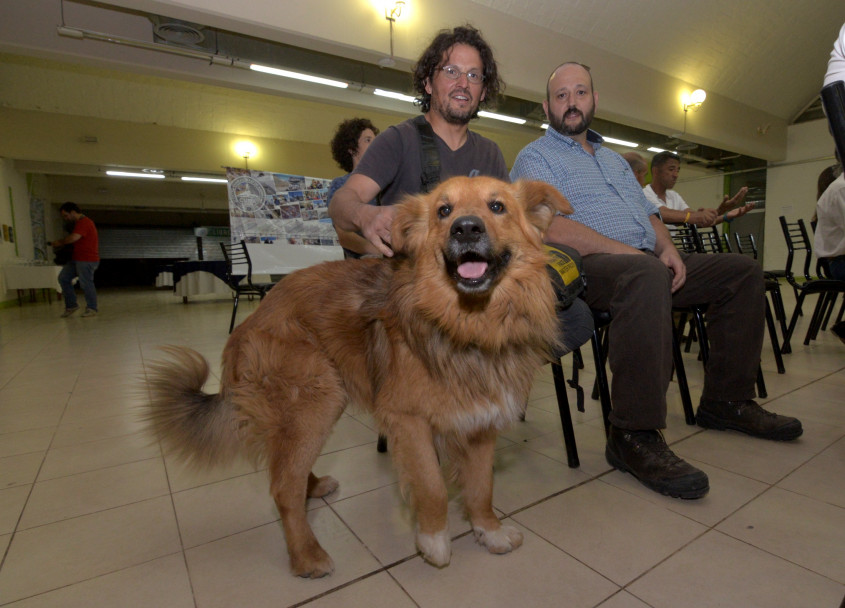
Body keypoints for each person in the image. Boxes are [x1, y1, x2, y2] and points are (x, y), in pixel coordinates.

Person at [510, 62, 803, 500]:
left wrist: (666, 248)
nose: (572, 102)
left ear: (594, 100)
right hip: (590, 266)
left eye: (581, 92)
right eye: (561, 95)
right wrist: (634, 254)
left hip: (644, 259)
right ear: (547, 106)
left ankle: (726, 401)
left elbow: (649, 215)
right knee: (644, 274)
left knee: (741, 272)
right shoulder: (535, 157)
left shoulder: (613, 160)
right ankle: (633, 434)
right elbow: (546, 228)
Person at [328, 25, 593, 355]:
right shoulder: (397, 140)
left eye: (474, 75)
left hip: (481, 281)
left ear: (483, 92)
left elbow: (509, 230)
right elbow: (342, 201)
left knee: (577, 317)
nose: (463, 83)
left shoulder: (490, 152)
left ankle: (498, 391)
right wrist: (363, 214)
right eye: (451, 71)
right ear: (428, 81)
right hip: (418, 287)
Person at [643, 151, 753, 228]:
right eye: (671, 169)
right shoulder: (644, 194)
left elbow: (697, 221)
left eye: (678, 170)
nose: (676, 175)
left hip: (670, 250)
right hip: (650, 253)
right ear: (655, 171)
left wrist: (723, 214)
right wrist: (696, 216)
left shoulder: (674, 196)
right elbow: (661, 213)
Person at [326, 118, 381, 258]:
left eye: (375, 140)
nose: (375, 144)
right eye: (368, 140)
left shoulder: (385, 184)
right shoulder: (340, 185)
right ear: (352, 149)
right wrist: (380, 253)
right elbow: (345, 236)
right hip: (363, 266)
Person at [52, 201, 100, 317]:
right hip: (76, 258)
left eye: (66, 215)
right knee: (63, 278)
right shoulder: (78, 223)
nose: (66, 218)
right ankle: (71, 305)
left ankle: (92, 308)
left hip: (87, 259)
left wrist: (60, 242)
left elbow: (74, 237)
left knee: (86, 283)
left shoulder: (85, 222)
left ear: (73, 212)